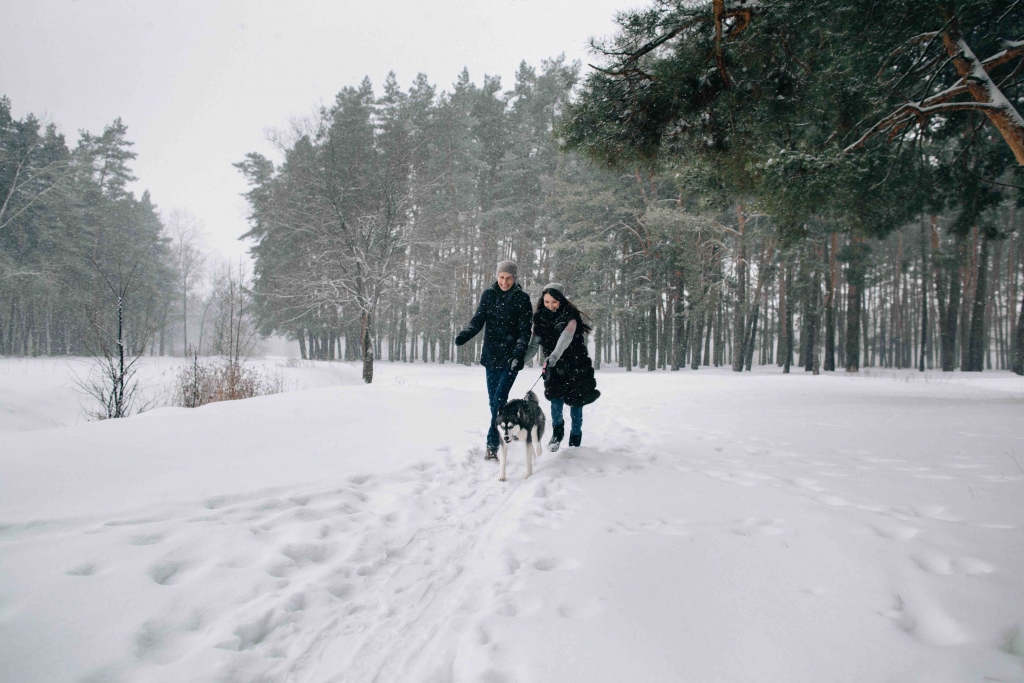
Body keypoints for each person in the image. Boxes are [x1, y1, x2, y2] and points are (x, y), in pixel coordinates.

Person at [454, 260, 533, 460]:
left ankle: (492, 445)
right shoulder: (489, 295)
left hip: (511, 359)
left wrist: (519, 353)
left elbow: (525, 331)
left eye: (508, 278)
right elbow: (478, 320)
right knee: (494, 402)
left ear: (515, 278)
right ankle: (508, 425)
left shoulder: (522, 299)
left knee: (498, 400)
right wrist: (466, 334)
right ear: (497, 276)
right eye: (501, 277)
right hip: (491, 356)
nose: (504, 282)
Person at [524, 283, 600, 450]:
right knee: (555, 401)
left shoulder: (570, 316)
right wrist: (520, 362)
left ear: (561, 300)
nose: (550, 306)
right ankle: (557, 433)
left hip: (576, 366)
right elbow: (533, 345)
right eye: (547, 302)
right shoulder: (539, 319)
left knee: (576, 403)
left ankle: (575, 437)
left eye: (554, 302)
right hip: (554, 368)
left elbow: (565, 338)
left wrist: (554, 356)